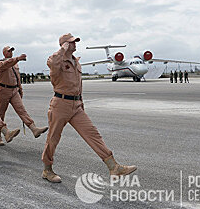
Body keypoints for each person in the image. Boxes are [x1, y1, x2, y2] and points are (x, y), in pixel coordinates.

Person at [41, 33, 136, 183]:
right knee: (53, 138)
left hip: (76, 105)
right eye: (71, 42)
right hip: (60, 104)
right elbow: (52, 63)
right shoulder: (56, 60)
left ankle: (113, 167)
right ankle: (47, 170)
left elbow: (78, 86)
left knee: (93, 134)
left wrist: (81, 104)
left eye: (75, 42)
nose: (75, 44)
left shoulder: (76, 62)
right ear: (64, 45)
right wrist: (62, 49)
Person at [0, 46, 48, 145]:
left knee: (22, 110)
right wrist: (17, 59)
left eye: (12, 51)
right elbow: (7, 64)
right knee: (1, 114)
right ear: (4, 53)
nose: (11, 52)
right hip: (4, 91)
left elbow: (17, 77)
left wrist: (20, 89)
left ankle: (34, 129)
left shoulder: (15, 65)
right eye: (9, 51)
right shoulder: (0, 63)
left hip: (14, 90)